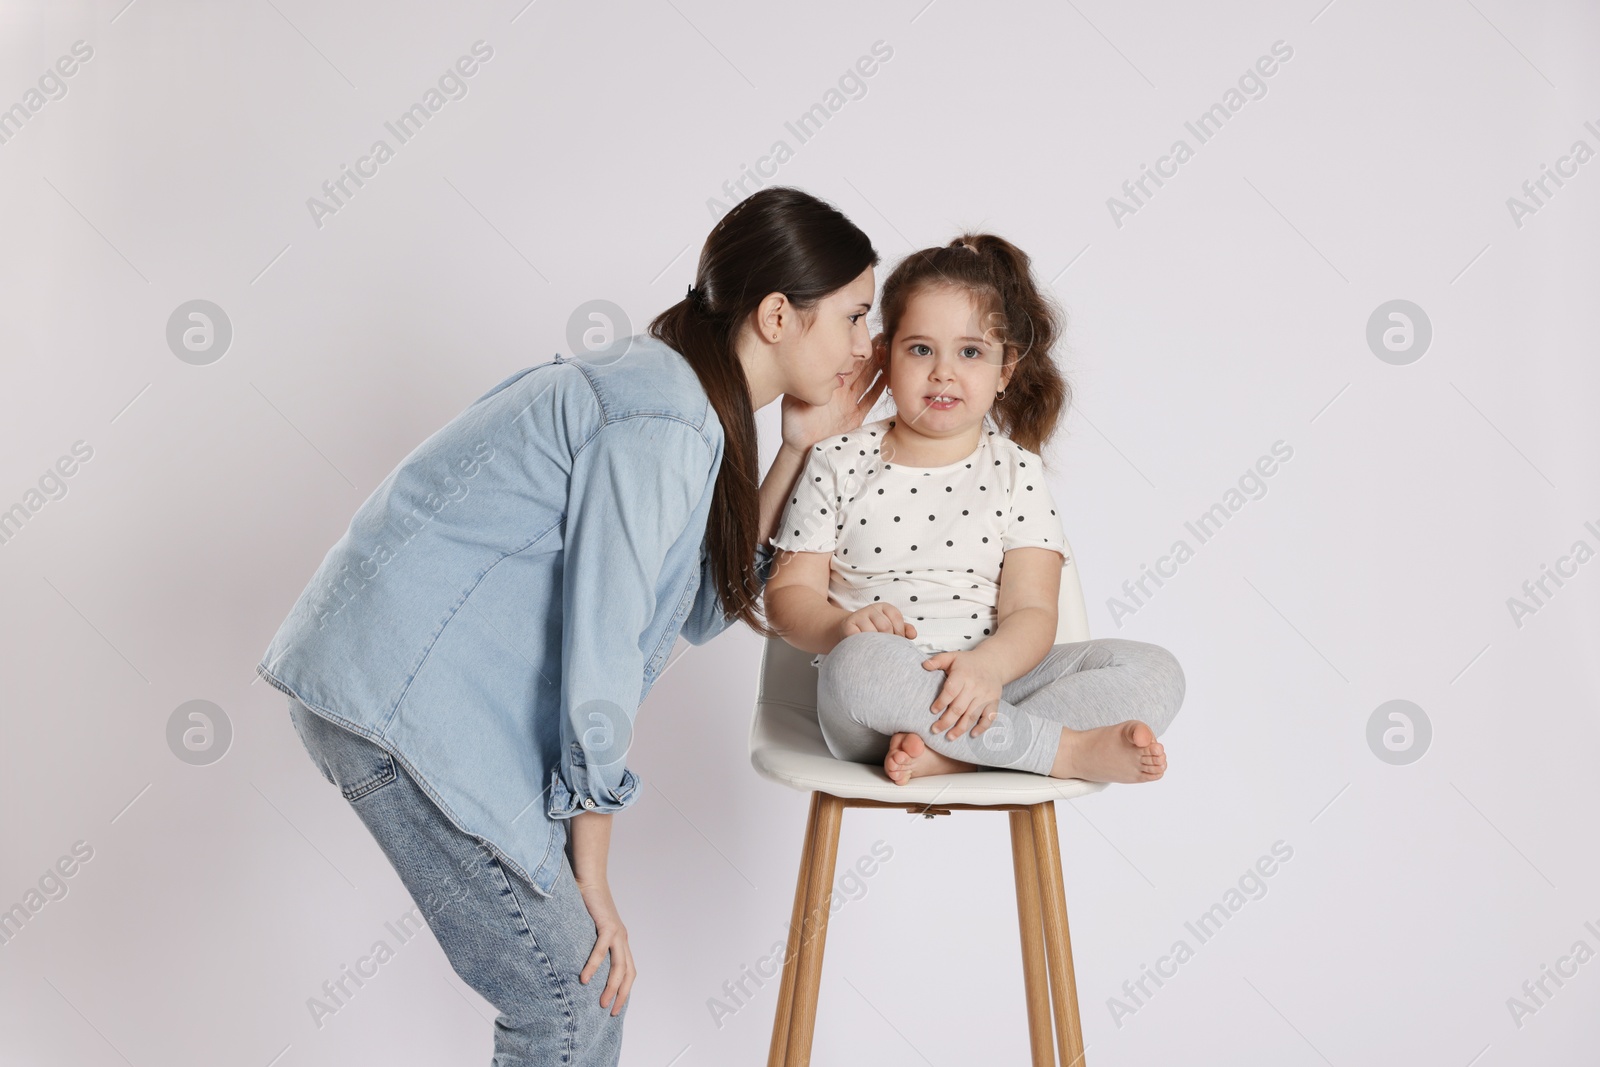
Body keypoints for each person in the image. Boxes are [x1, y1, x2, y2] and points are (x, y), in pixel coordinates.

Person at [256, 186, 886, 1064]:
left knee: (576, 1000)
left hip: (391, 697)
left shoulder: (686, 404)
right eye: (856, 316)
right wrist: (591, 868)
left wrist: (795, 446)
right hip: (393, 701)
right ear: (779, 314)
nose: (866, 346)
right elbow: (605, 650)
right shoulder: (662, 418)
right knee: (573, 1001)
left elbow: (701, 609)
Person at [764, 233, 1186, 787]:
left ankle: (960, 756)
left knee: (1156, 672)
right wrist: (843, 626)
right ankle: (1060, 752)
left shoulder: (1017, 473)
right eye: (920, 349)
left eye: (970, 352)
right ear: (886, 358)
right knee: (856, 665)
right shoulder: (836, 462)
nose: (943, 372)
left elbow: (1032, 613)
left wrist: (988, 667)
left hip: (995, 688)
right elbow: (787, 599)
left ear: (1005, 369)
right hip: (882, 703)